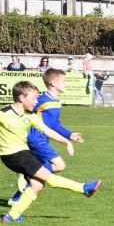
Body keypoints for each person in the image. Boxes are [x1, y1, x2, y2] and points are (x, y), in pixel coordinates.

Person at [1, 80, 101, 223]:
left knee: (37, 185)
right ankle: (84, 188)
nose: (36, 101)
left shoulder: (30, 116)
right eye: (34, 98)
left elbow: (48, 131)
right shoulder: (4, 113)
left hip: (23, 153)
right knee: (47, 176)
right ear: (22, 98)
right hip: (13, 154)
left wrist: (66, 140)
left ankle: (12, 216)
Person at [8, 68, 83, 207]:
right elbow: (23, 109)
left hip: (44, 139)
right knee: (59, 165)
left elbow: (55, 124)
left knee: (39, 172)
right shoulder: (42, 100)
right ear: (53, 83)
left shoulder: (57, 101)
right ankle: (26, 177)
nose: (66, 84)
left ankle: (16, 198)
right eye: (64, 81)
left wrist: (70, 135)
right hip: (36, 139)